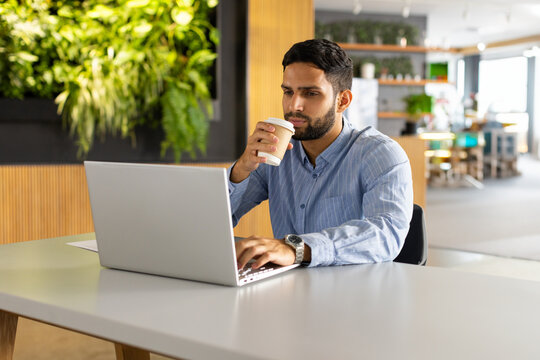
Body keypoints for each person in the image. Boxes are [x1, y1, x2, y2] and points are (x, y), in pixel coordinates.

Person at [228, 39, 413, 270]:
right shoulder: (275, 153)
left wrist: (296, 248)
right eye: (288, 92)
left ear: (342, 101)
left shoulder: (381, 154)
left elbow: (387, 234)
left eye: (311, 93)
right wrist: (242, 169)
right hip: (288, 290)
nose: (294, 105)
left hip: (357, 295)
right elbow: (217, 218)